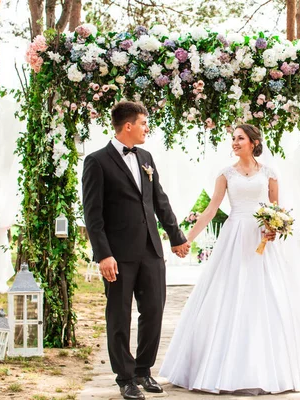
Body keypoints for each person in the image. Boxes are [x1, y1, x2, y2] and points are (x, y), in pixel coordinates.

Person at [159, 124, 300, 394]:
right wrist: (187, 239)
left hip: (261, 241)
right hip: (234, 238)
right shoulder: (225, 174)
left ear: (254, 142)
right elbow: (211, 209)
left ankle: (271, 368)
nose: (234, 142)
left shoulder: (270, 173)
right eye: (233, 138)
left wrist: (274, 227)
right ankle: (214, 366)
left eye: (240, 138)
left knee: (268, 296)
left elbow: (275, 208)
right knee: (226, 293)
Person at [82, 101, 190, 400]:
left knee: (153, 311)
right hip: (117, 254)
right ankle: (125, 377)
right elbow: (93, 214)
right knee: (119, 316)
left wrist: (176, 236)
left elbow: (159, 200)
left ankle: (144, 370)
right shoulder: (97, 161)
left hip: (150, 250)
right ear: (127, 125)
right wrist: (103, 254)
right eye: (144, 123)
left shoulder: (146, 157)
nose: (147, 128)